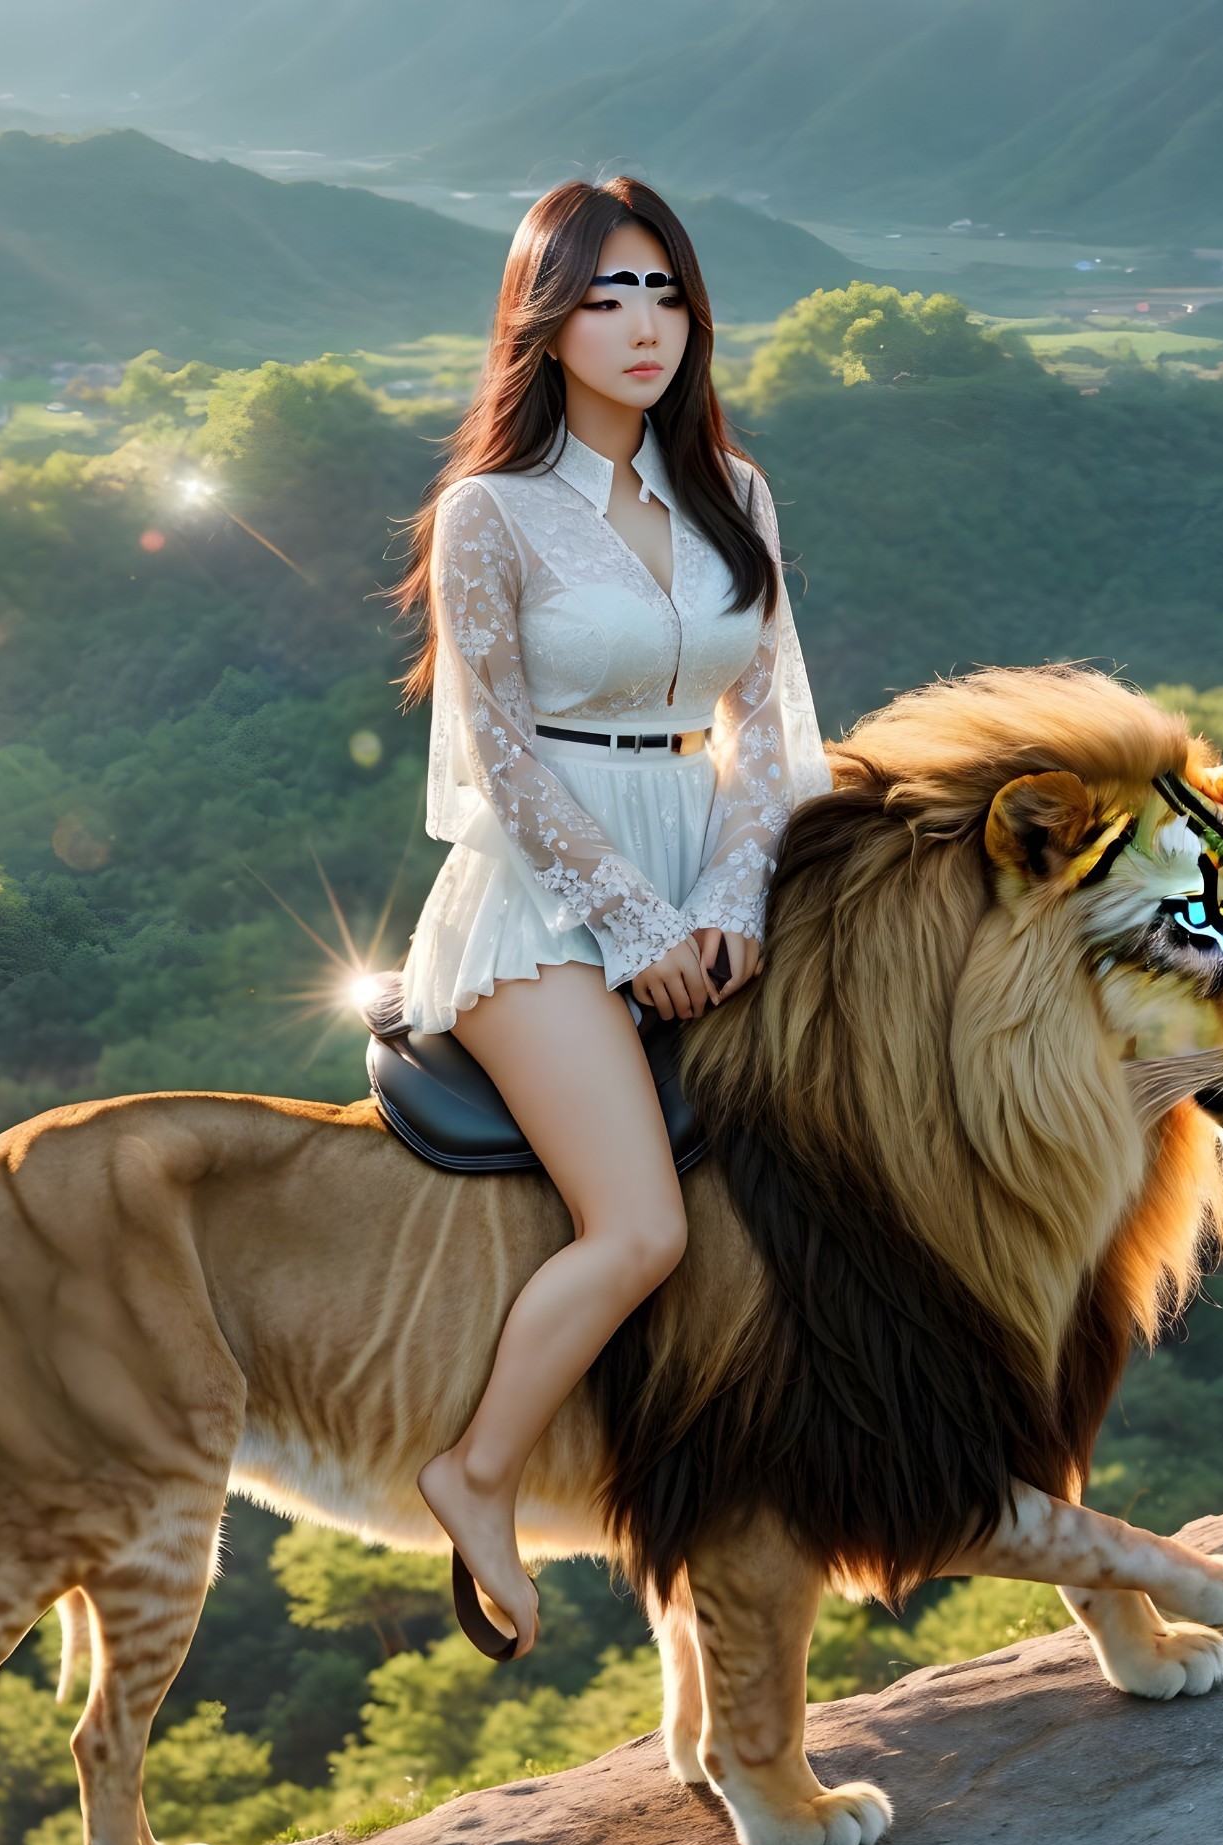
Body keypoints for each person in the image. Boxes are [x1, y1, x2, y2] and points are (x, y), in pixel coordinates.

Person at [391, 177, 829, 1657]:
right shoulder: (488, 514)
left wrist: (725, 896)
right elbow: (503, 759)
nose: (642, 324)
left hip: (703, 869)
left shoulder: (735, 495)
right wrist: (632, 922)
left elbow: (765, 723)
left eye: (663, 292)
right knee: (640, 1223)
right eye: (603, 295)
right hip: (537, 904)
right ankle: (476, 1468)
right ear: (544, 318)